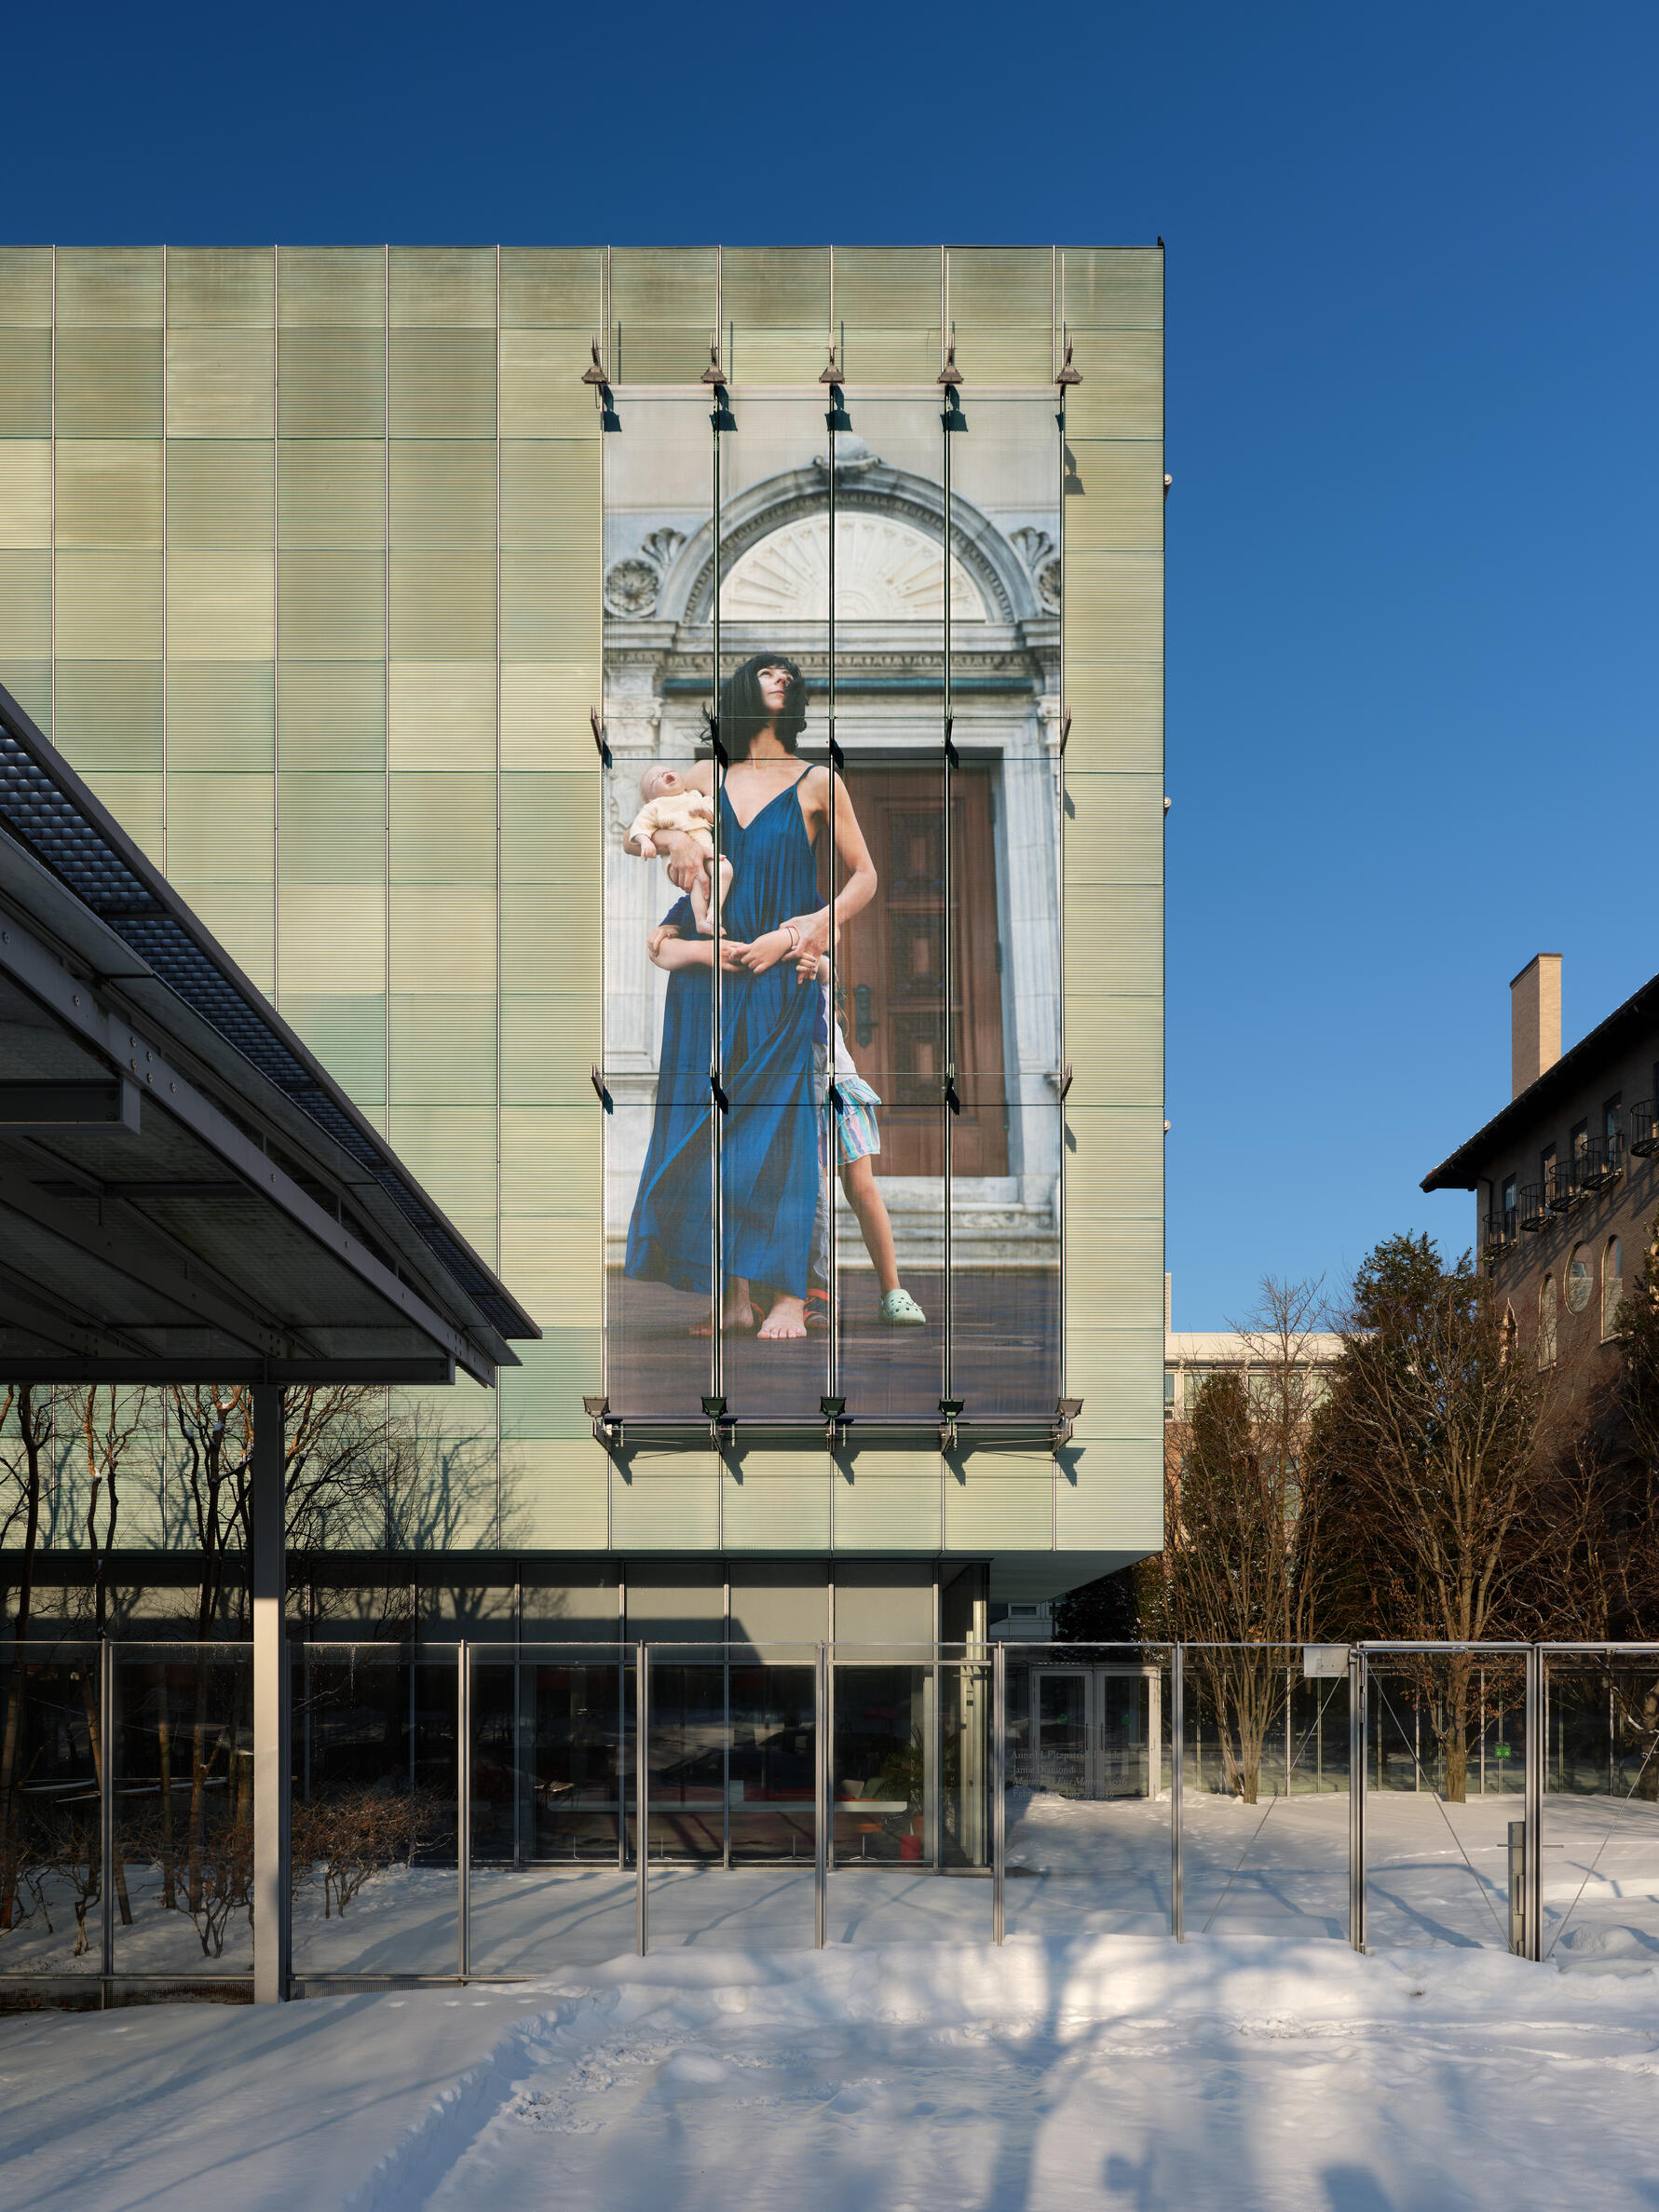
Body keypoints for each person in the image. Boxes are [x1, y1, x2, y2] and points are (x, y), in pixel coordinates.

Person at [624, 655, 877, 1342]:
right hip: (706, 984)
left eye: (788, 675)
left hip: (776, 975)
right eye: (767, 671)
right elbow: (661, 820)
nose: (781, 678)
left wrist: (800, 933)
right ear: (741, 688)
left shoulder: (818, 781)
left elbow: (864, 878)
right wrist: (678, 842)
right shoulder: (707, 775)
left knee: (779, 1137)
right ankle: (731, 1299)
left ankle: (789, 1296)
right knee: (709, 1136)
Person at [806, 959, 926, 1328]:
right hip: (801, 1095)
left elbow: (826, 967)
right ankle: (813, 1289)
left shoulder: (819, 976)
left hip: (839, 1087)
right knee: (814, 1191)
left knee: (861, 1188)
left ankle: (893, 1291)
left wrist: (800, 945)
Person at [624, 765, 732, 936]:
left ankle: (714, 910)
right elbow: (639, 828)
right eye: (656, 779)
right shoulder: (655, 807)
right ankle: (701, 921)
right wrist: (646, 841)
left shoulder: (695, 795)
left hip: (706, 849)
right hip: (681, 861)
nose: (665, 774)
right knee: (698, 880)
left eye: (668, 771)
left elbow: (715, 816)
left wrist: (704, 811)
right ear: (650, 798)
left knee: (724, 870)